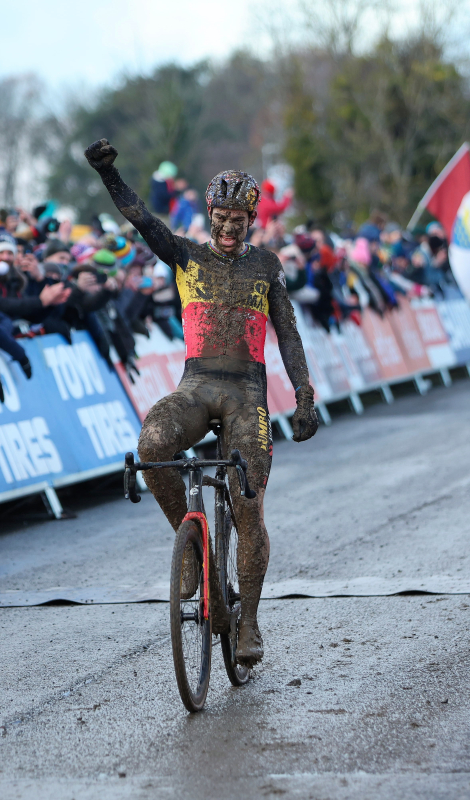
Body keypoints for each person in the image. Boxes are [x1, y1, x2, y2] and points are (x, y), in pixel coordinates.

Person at [85, 138, 319, 667]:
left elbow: (288, 334)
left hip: (246, 398)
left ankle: (250, 623)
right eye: (222, 216)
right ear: (209, 214)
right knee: (151, 444)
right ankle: (192, 553)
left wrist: (304, 394)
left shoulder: (267, 265)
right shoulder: (185, 254)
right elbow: (141, 219)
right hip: (195, 389)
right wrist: (109, 176)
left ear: (252, 218)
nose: (230, 226)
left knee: (247, 504)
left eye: (240, 217)